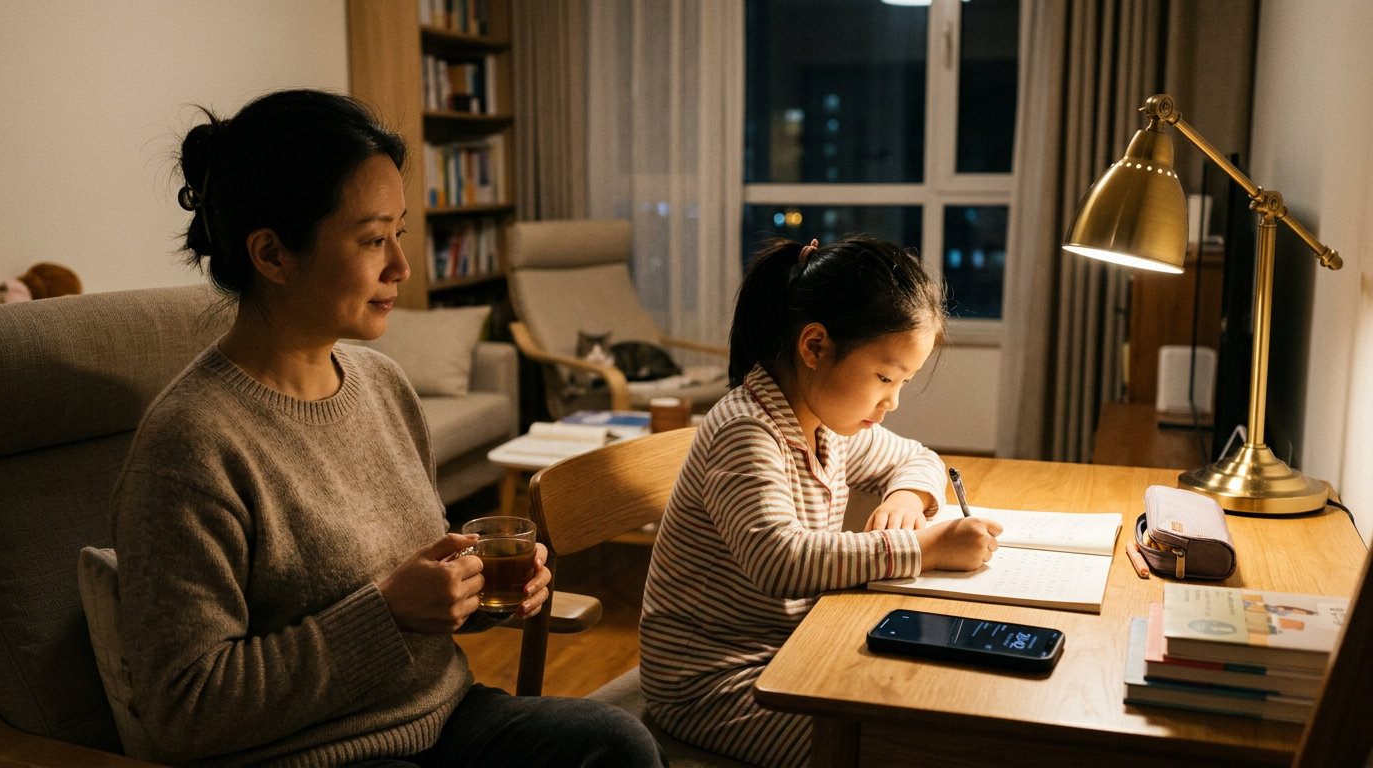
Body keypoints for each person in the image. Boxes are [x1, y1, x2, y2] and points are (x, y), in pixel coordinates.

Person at [110, 90, 664, 768]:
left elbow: (418, 602)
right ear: (272, 255)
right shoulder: (190, 444)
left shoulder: (381, 383)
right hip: (314, 754)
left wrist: (477, 596)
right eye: (373, 240)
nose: (402, 268)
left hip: (445, 716)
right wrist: (386, 615)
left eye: (399, 233)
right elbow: (184, 711)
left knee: (616, 743)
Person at [638, 236, 1003, 767]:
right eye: (884, 377)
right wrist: (922, 547)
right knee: (892, 746)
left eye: (903, 382)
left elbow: (919, 457)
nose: (892, 402)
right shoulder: (746, 429)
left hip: (794, 649)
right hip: (714, 684)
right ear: (814, 347)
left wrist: (907, 495)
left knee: (932, 704)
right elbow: (779, 560)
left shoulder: (827, 426)